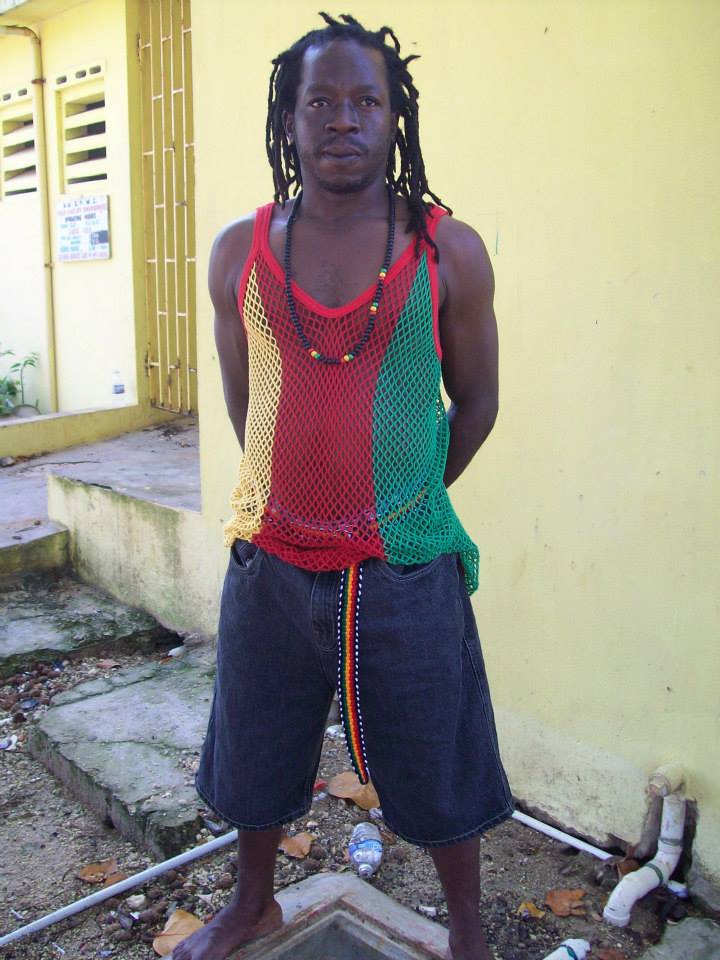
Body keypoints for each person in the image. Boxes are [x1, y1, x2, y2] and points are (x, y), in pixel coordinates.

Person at [181, 14, 513, 960]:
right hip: (272, 558)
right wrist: (294, 498)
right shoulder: (238, 252)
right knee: (255, 745)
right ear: (287, 119)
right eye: (319, 101)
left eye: (366, 100)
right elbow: (249, 402)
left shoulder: (449, 251)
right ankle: (253, 905)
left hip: (404, 566)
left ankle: (466, 932)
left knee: (439, 754)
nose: (342, 119)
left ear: (394, 118)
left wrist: (406, 496)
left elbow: (478, 403)